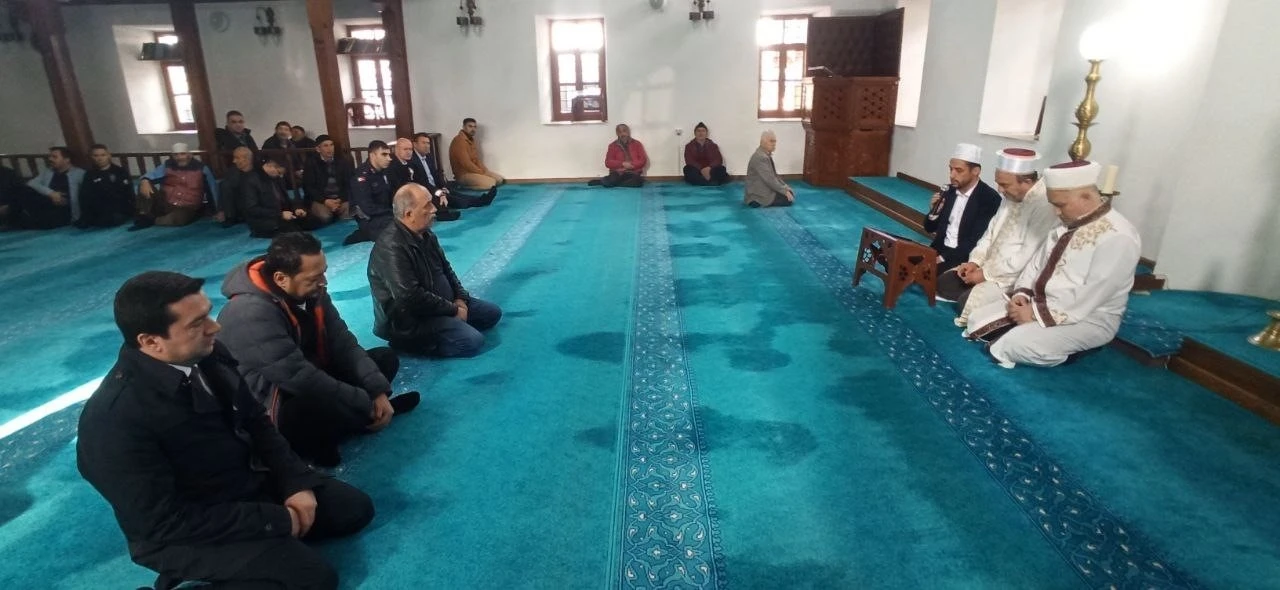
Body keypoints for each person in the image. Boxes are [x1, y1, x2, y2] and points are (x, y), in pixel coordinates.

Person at [77, 271, 374, 590]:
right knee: (311, 580)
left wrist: (295, 482)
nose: (214, 327)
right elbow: (163, 524)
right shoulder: (113, 422)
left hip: (241, 486)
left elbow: (257, 424)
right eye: (197, 324)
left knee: (353, 510)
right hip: (187, 529)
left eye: (208, 314)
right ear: (151, 342)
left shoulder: (208, 354)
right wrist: (274, 520)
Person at [217, 232, 421, 466]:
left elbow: (342, 341)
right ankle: (359, 422)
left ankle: (351, 423)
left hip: (310, 373)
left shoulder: (312, 291)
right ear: (281, 278)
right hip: (273, 401)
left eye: (324, 272)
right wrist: (365, 401)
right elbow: (300, 378)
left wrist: (377, 391)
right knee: (315, 407)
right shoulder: (249, 313)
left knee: (384, 359)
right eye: (314, 277)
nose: (324, 281)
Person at [964, 160, 1142, 368]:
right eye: (1053, 204)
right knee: (976, 320)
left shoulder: (1119, 236)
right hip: (1040, 301)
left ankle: (1074, 350)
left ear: (1086, 196)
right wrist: (1022, 295)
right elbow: (1036, 264)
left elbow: (1092, 294)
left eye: (1060, 205)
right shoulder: (1066, 221)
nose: (1056, 212)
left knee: (1011, 346)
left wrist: (1034, 313)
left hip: (1089, 317)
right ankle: (1031, 331)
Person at [368, 183, 502, 357]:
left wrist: (460, 299)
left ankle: (450, 326)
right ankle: (407, 343)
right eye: (427, 205)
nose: (434, 209)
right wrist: (453, 310)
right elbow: (410, 297)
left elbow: (447, 269)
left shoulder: (426, 234)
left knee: (492, 314)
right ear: (409, 214)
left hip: (440, 305)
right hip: (411, 320)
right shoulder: (391, 247)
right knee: (472, 342)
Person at [938, 148, 1060, 326]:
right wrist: (975, 262)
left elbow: (1027, 255)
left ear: (1026, 181)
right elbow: (990, 233)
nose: (1000, 190)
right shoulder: (1010, 194)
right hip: (987, 265)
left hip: (1011, 277)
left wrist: (985, 274)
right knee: (943, 282)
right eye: (998, 183)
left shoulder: (1044, 204)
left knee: (966, 304)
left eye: (1004, 185)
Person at [923, 143, 1002, 274]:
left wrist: (942, 258)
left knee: (927, 273)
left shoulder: (989, 198)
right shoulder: (949, 190)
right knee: (897, 255)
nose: (952, 175)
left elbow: (975, 240)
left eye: (959, 170)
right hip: (938, 249)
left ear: (975, 171)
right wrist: (934, 211)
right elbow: (929, 228)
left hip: (963, 257)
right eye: (951, 169)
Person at [130, 143, 219, 230]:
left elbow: (212, 189)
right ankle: (144, 215)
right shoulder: (167, 166)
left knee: (179, 219)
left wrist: (217, 210)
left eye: (182, 154)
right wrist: (145, 180)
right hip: (165, 201)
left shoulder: (202, 169)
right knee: (144, 185)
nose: (179, 157)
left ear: (189, 155)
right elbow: (151, 175)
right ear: (172, 156)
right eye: (176, 155)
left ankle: (151, 220)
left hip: (187, 206)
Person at [241, 156, 320, 238]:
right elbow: (252, 209)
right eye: (279, 172)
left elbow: (285, 200)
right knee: (293, 230)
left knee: (313, 221)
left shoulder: (276, 177)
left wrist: (296, 209)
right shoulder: (250, 180)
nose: (281, 176)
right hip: (264, 219)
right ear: (270, 166)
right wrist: (280, 214)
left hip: (282, 214)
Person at [412, 132, 493, 210]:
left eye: (428, 143)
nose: (427, 146)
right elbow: (423, 183)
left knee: (456, 193)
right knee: (456, 200)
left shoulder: (428, 157)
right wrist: (439, 191)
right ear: (415, 144)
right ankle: (481, 202)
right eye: (423, 143)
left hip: (436, 188)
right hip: (427, 191)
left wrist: (443, 187)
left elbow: (436, 174)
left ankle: (482, 198)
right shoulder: (413, 161)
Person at [17, 146, 84, 228]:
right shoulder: (48, 171)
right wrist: (51, 193)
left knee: (33, 223)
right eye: (50, 156)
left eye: (54, 157)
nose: (50, 159)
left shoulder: (79, 173)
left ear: (67, 159)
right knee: (23, 190)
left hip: (66, 210)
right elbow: (31, 183)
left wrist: (67, 201)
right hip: (47, 205)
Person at [347, 140, 395, 245]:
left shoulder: (385, 171)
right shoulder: (361, 175)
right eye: (384, 154)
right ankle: (362, 234)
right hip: (369, 217)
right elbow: (367, 208)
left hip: (385, 213)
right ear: (372, 155)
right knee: (395, 231)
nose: (389, 158)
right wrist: (392, 212)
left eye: (389, 155)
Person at [77, 143, 134, 228]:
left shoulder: (120, 171)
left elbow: (128, 192)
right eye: (96, 156)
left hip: (119, 208)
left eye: (103, 155)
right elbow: (85, 196)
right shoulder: (89, 174)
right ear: (91, 157)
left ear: (109, 156)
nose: (99, 158)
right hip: (98, 209)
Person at [301, 134, 353, 224]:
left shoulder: (342, 162)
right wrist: (325, 201)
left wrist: (340, 199)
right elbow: (309, 187)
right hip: (321, 200)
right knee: (325, 217)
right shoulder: (311, 163)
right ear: (318, 149)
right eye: (325, 146)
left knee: (349, 213)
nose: (330, 148)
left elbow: (349, 183)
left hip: (340, 199)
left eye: (331, 145)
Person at [448, 117, 506, 190]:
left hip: (473, 171)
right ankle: (462, 186)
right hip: (463, 174)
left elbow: (476, 159)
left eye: (475, 127)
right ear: (464, 127)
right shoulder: (459, 141)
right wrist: (481, 173)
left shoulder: (470, 140)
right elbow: (466, 163)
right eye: (470, 126)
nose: (473, 129)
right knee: (491, 183)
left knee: (499, 180)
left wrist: (485, 170)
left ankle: (481, 180)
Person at [743, 131, 793, 207]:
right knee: (787, 199)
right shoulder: (760, 157)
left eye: (775, 141)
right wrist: (784, 191)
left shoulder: (764, 155)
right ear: (762, 142)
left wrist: (785, 187)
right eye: (771, 141)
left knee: (789, 193)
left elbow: (774, 176)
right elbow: (770, 179)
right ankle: (758, 202)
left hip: (763, 190)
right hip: (757, 196)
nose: (774, 144)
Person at [591, 124, 647, 188]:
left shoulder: (637, 144)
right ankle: (611, 182)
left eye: (624, 131)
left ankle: (609, 182)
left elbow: (643, 160)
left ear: (628, 131)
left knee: (637, 182)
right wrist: (622, 164)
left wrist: (631, 165)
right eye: (619, 132)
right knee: (613, 180)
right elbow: (608, 162)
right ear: (617, 133)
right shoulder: (612, 146)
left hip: (633, 172)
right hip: (617, 172)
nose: (622, 134)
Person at [218, 146, 257, 226]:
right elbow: (224, 193)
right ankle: (230, 217)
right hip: (238, 210)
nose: (234, 161)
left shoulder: (259, 172)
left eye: (237, 158)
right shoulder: (232, 172)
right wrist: (221, 210)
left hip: (256, 209)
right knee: (225, 185)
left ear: (247, 159)